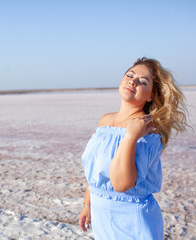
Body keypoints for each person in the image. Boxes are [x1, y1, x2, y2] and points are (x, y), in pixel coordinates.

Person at [78, 57, 189, 239]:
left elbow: (121, 184)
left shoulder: (147, 129)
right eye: (130, 75)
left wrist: (130, 136)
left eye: (142, 81)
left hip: (132, 222)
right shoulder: (105, 120)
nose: (133, 81)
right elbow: (95, 171)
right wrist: (87, 205)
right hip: (101, 217)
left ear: (151, 95)